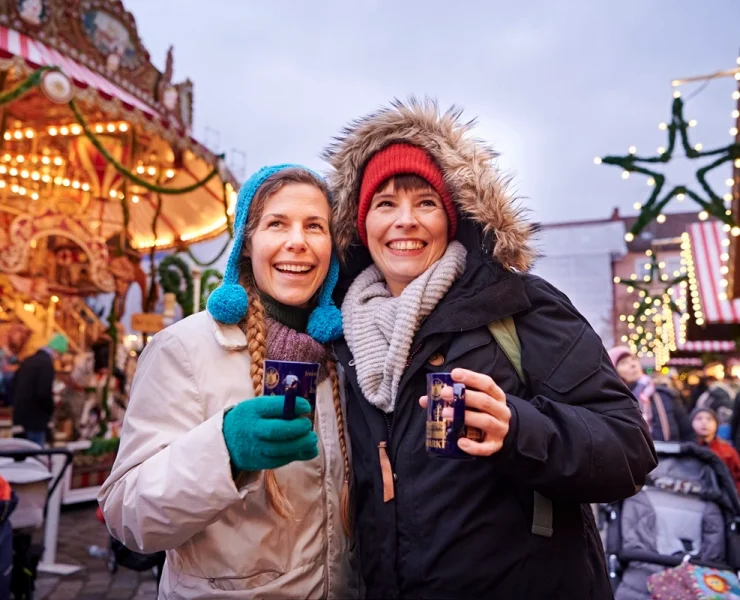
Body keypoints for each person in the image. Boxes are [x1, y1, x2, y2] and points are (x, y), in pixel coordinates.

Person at [323, 99, 658, 599]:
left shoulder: (517, 304)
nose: (405, 221)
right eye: (385, 203)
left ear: (453, 217)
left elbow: (629, 447)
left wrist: (519, 428)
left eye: (426, 203)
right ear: (361, 222)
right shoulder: (344, 336)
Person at [98, 165, 358, 599]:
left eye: (315, 226)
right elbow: (129, 516)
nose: (298, 241)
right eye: (277, 224)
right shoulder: (184, 348)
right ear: (246, 244)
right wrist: (225, 451)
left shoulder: (342, 354)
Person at [608, 346, 693, 442]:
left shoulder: (664, 395)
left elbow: (688, 434)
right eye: (623, 362)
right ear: (613, 370)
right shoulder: (614, 402)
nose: (633, 364)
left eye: (633, 359)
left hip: (669, 454)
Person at [12, 333, 68, 446]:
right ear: (57, 352)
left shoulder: (28, 361)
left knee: (21, 457)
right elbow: (43, 393)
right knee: (36, 457)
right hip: (35, 420)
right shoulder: (46, 365)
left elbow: (14, 383)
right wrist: (50, 408)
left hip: (19, 417)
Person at [693, 407, 740, 496]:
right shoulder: (687, 449)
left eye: (709, 419)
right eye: (699, 418)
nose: (704, 422)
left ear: (716, 424)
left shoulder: (728, 451)